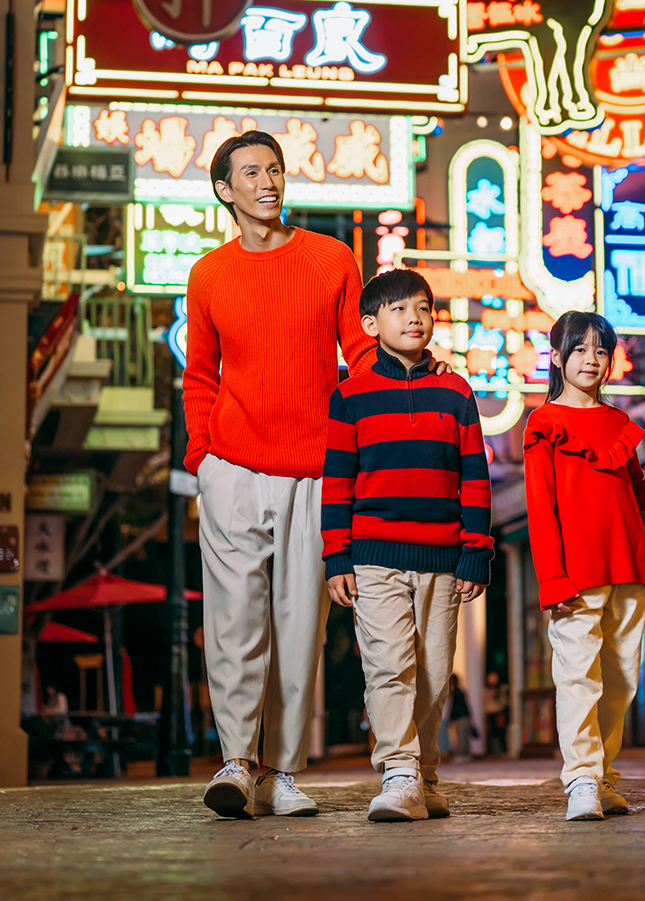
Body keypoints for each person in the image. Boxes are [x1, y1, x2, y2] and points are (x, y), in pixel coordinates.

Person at [187, 130, 375, 819]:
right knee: (235, 621)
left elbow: (359, 352)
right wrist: (201, 457)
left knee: (302, 624)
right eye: (251, 172)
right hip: (231, 467)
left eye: (275, 169)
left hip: (316, 470)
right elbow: (199, 376)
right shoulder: (208, 274)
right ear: (224, 189)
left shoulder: (332, 259)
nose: (268, 181)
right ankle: (237, 760)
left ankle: (283, 771)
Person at [322, 267, 492, 822]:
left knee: (435, 672)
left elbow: (474, 476)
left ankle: (424, 773)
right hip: (373, 555)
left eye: (422, 307)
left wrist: (476, 549)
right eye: (398, 309)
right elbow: (338, 481)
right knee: (388, 665)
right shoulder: (349, 396)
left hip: (443, 555)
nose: (414, 317)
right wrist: (335, 554)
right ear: (370, 324)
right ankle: (398, 771)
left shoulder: (456, 391)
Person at [524, 311, 645, 821]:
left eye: (601, 350)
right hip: (575, 576)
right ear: (557, 357)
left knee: (621, 681)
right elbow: (540, 509)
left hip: (629, 568)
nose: (591, 360)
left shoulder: (619, 424)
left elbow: (635, 492)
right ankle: (580, 780)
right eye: (579, 350)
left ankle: (602, 777)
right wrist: (553, 579)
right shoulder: (543, 423)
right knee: (579, 679)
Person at [447, 674, 474, 763]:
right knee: (460, 737)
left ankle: (462, 755)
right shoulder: (458, 692)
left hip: (460, 717)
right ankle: (462, 755)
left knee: (461, 738)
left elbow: (459, 707)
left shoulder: (457, 693)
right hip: (461, 717)